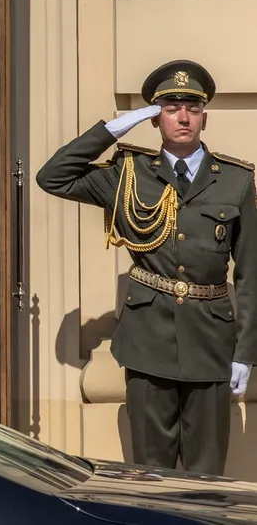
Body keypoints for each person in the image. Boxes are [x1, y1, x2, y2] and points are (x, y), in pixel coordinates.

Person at [36, 59, 257, 476]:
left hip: (211, 343)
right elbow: (53, 177)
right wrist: (112, 130)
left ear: (204, 117)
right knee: (150, 473)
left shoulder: (235, 180)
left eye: (192, 108)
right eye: (171, 109)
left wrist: (245, 353)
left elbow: (251, 273)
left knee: (207, 474)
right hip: (147, 341)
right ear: (155, 119)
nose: (183, 117)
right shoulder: (128, 173)